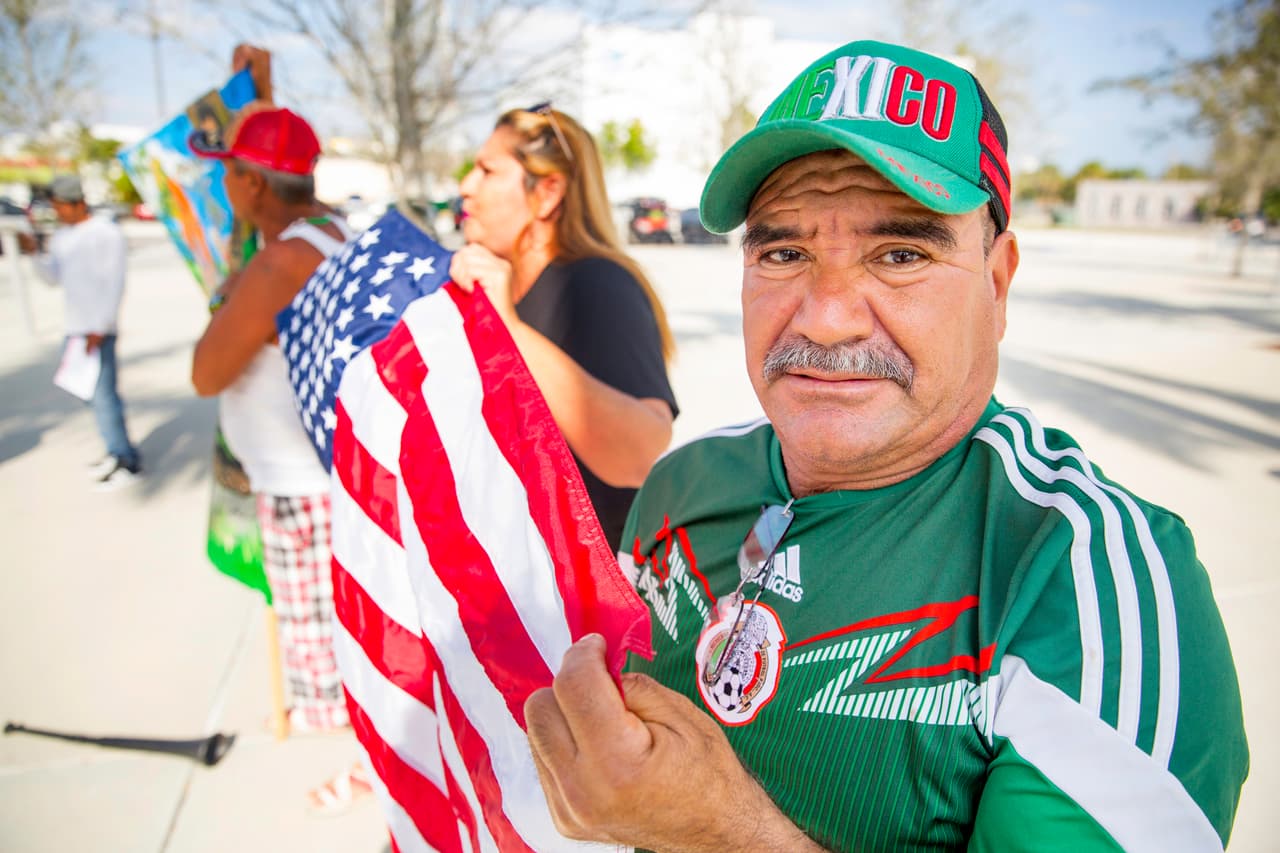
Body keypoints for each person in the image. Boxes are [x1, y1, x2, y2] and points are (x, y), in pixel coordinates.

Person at [523, 40, 1249, 852]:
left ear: (997, 283)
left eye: (900, 254)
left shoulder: (1081, 582)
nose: (826, 315)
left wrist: (722, 829)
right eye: (784, 251)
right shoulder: (684, 483)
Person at [188, 88, 363, 791]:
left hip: (297, 482)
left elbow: (206, 372)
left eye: (228, 172)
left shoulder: (277, 265)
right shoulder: (334, 231)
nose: (222, 185)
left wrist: (233, 298)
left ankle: (351, 762)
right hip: (331, 468)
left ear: (252, 183)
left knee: (319, 644)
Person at [449, 103, 678, 552]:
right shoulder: (508, 281)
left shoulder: (596, 282)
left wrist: (510, 331)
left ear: (548, 192)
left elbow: (641, 452)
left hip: (583, 603)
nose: (465, 187)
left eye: (487, 171)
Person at [23, 175, 141, 489]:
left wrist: (101, 326)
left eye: (61, 206)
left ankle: (124, 459)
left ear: (78, 203)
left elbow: (115, 281)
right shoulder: (63, 237)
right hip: (75, 328)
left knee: (103, 395)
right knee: (89, 394)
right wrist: (34, 252)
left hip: (96, 329)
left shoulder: (105, 233)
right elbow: (52, 278)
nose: (58, 212)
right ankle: (116, 449)